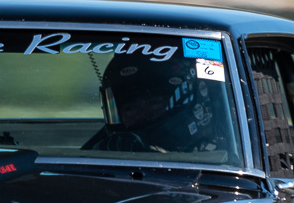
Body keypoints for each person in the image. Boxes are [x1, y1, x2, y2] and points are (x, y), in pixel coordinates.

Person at [82, 53, 224, 155]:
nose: (143, 114)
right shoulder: (103, 154)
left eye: (153, 103)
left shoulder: (223, 153)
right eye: (130, 108)